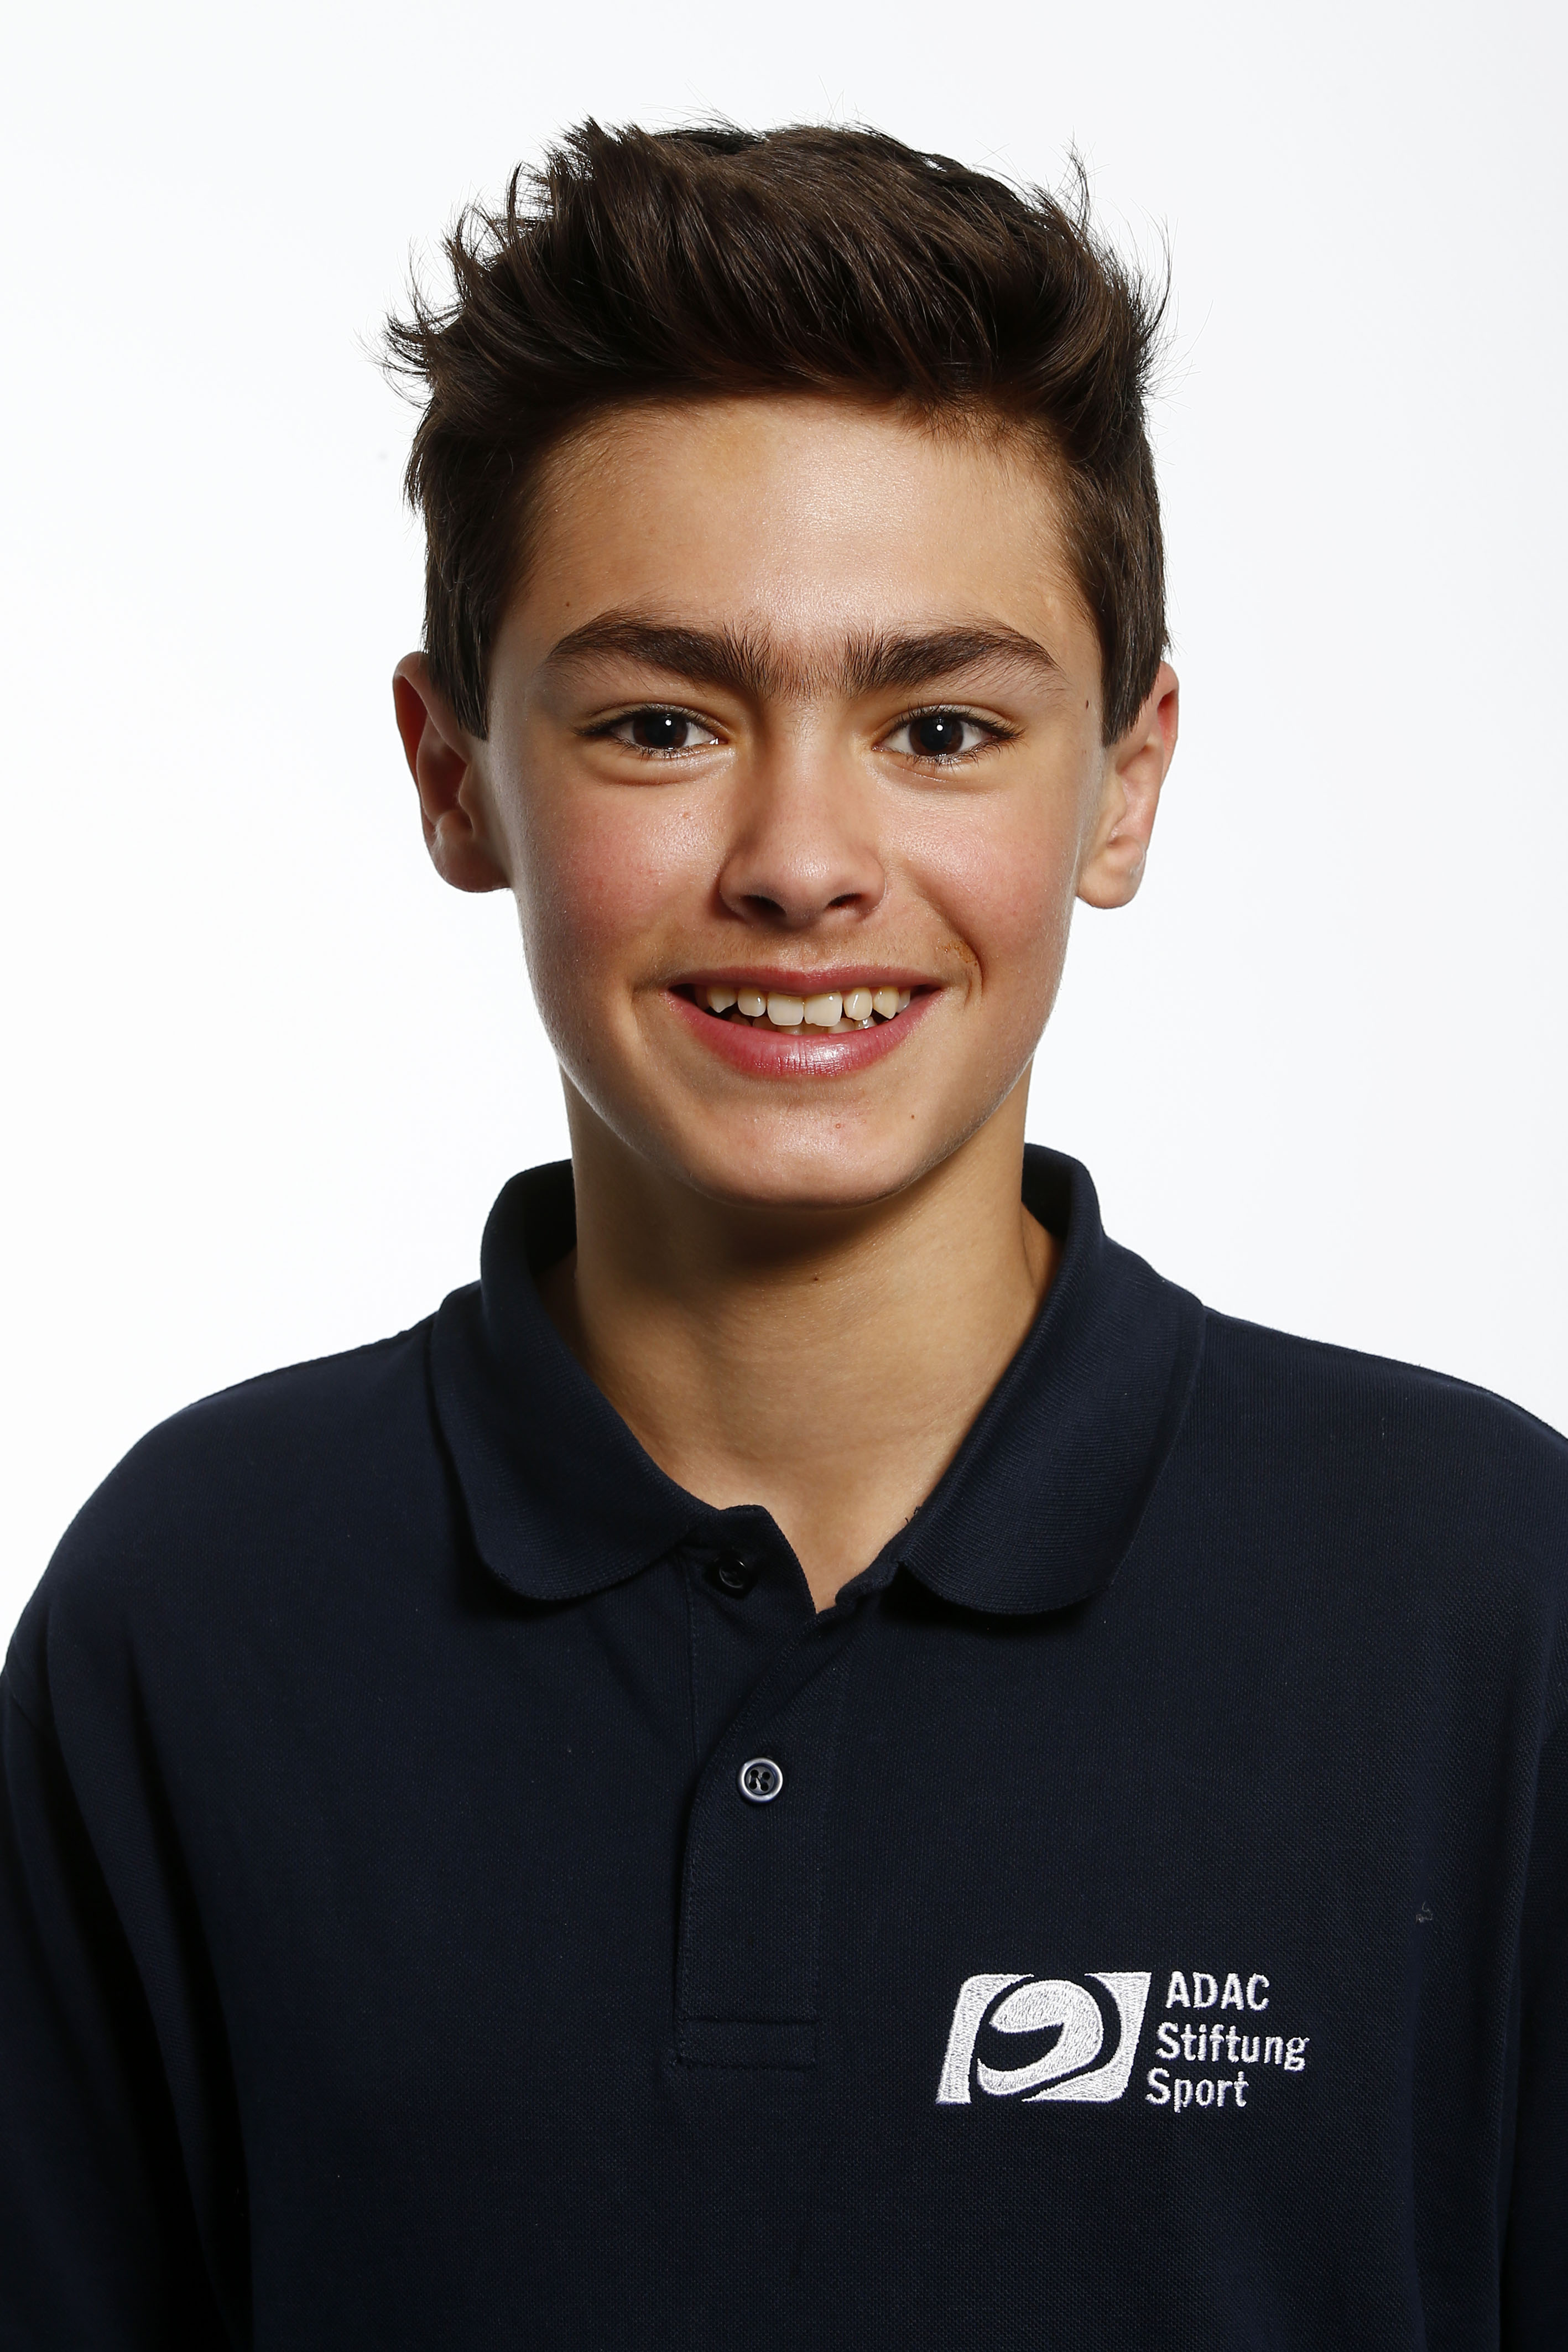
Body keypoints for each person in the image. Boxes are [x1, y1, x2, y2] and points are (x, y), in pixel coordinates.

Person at [1, 119, 1562, 2352]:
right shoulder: (195, 1602)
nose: (804, 859)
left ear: (1123, 779)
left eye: (941, 725)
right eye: (661, 722)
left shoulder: (1486, 1599)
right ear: (454, 774)